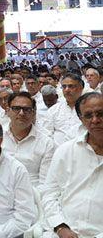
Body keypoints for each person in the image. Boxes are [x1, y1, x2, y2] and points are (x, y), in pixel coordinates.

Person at [43, 92, 103, 237]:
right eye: (88, 115)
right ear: (80, 119)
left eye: (100, 113)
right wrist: (61, 227)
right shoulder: (65, 151)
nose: (95, 120)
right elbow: (49, 194)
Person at [2, 92, 55, 192]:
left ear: (34, 113)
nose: (21, 113)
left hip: (32, 195)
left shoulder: (46, 143)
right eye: (16, 108)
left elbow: (45, 184)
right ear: (8, 111)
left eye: (27, 109)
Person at [42, 73, 85, 145]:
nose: (67, 90)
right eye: (64, 87)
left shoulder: (88, 109)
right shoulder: (53, 110)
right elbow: (46, 134)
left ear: (80, 87)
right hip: (57, 152)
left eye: (71, 86)